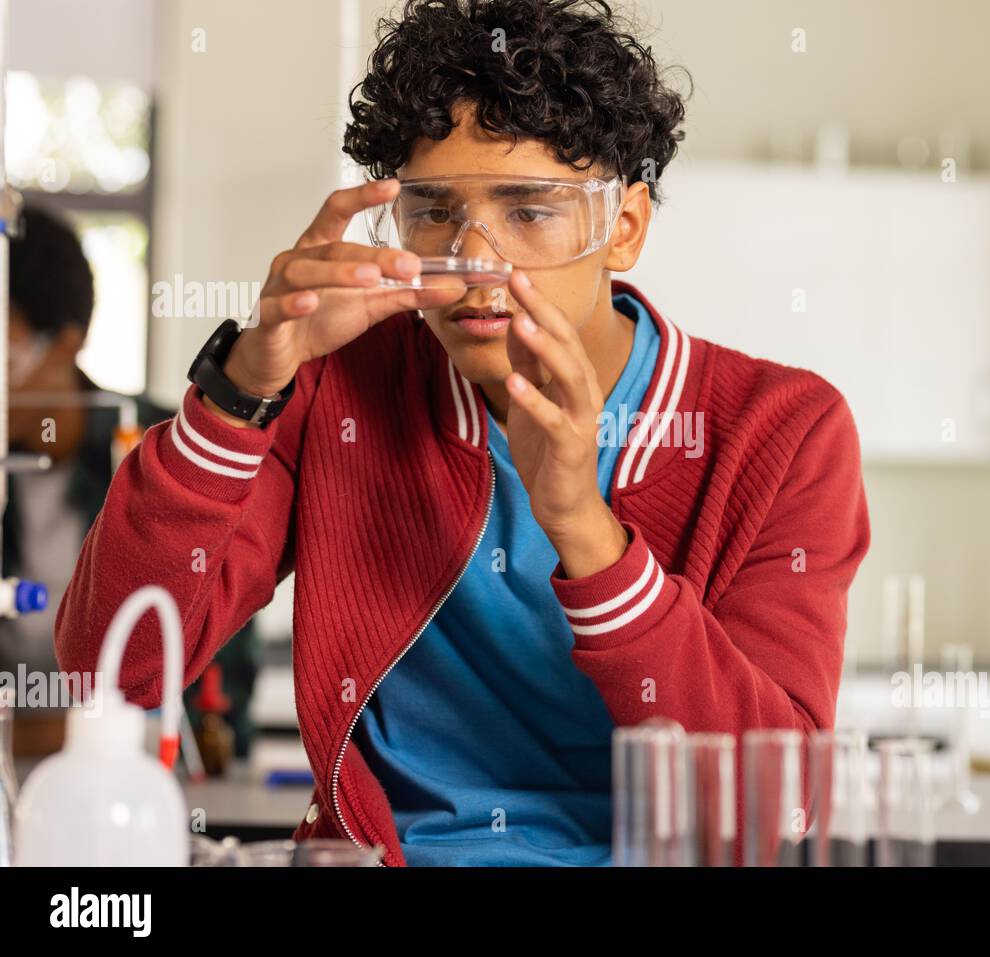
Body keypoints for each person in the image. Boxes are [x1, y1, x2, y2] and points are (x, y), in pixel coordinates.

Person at [56, 0, 870, 865]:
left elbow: (777, 807)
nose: (477, 262)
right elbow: (117, 669)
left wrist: (587, 536)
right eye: (434, 212)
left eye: (529, 211)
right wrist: (240, 391)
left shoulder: (781, 431)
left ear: (622, 227)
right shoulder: (339, 380)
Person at [3, 205, 257, 758]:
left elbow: (217, 702)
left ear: (66, 342)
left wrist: (56, 737)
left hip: (133, 789)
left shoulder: (174, 455)